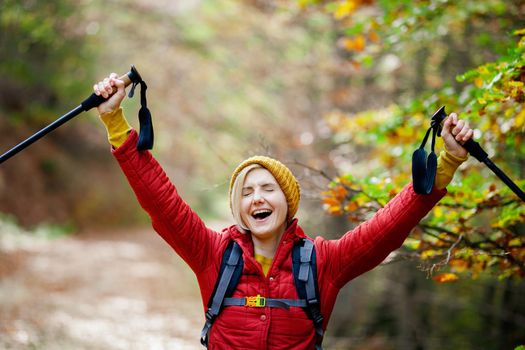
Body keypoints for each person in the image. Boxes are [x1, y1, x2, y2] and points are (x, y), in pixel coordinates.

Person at [93, 73, 474, 349]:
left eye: (267, 189)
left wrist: (444, 166)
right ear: (238, 209)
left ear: (287, 203)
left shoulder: (324, 263)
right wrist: (115, 122)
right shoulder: (212, 254)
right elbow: (162, 202)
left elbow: (386, 229)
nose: (257, 198)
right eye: (247, 192)